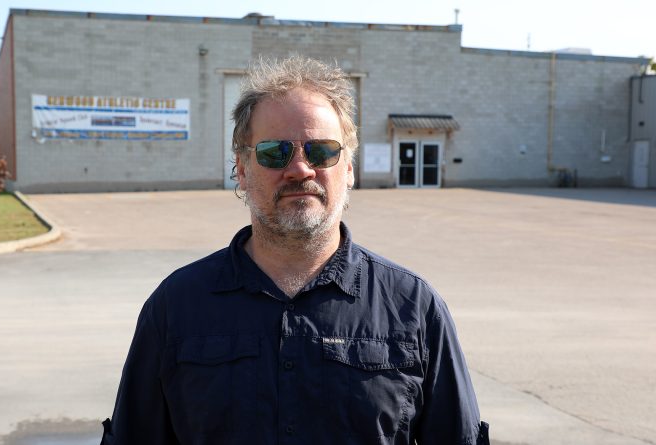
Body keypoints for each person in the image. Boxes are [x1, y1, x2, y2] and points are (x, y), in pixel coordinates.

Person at [101, 56, 489, 445]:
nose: (301, 169)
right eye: (275, 152)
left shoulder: (414, 308)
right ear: (241, 167)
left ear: (348, 169)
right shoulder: (175, 307)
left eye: (321, 152)